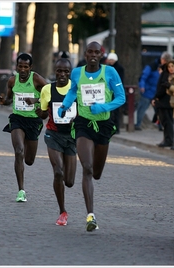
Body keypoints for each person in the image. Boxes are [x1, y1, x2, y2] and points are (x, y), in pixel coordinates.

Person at [57, 41, 125, 231]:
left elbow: (121, 97)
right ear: (85, 54)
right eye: (90, 52)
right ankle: (91, 216)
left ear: (101, 54)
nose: (93, 55)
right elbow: (72, 92)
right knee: (86, 168)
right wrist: (64, 106)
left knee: (96, 172)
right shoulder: (77, 72)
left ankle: (91, 204)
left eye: (97, 52)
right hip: (83, 124)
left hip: (103, 125)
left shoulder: (110, 72)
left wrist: (103, 107)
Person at [0, 53, 48, 202]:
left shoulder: (37, 79)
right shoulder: (12, 81)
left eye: (26, 67)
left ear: (30, 68)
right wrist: (3, 101)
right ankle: (21, 191)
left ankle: (26, 141)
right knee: (19, 151)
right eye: (20, 66)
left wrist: (36, 99)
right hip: (17, 119)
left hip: (33, 121)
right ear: (16, 66)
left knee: (29, 160)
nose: (23, 70)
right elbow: (9, 100)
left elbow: (51, 93)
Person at [32, 58, 77, 226]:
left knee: (70, 182)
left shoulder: (76, 89)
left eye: (66, 71)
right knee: (58, 172)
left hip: (71, 137)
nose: (62, 74)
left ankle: (64, 197)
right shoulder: (47, 90)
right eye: (59, 71)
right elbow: (44, 114)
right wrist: (39, 112)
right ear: (55, 71)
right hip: (53, 134)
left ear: (70, 73)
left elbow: (83, 111)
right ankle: (62, 211)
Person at [151, 51, 174, 147]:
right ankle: (168, 140)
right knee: (167, 122)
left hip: (164, 101)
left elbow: (162, 86)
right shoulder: (168, 71)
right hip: (167, 101)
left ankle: (168, 140)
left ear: (163, 60)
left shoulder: (165, 71)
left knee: (166, 122)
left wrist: (156, 97)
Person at [135, 57, 161, 130]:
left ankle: (160, 125)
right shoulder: (151, 67)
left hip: (154, 91)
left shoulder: (156, 67)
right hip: (148, 91)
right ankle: (138, 124)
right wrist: (142, 86)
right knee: (142, 108)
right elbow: (143, 77)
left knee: (158, 110)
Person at [106, 52, 125, 134]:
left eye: (112, 60)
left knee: (116, 111)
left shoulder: (119, 68)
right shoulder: (107, 68)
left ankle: (117, 128)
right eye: (109, 60)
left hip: (116, 92)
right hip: (108, 91)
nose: (110, 61)